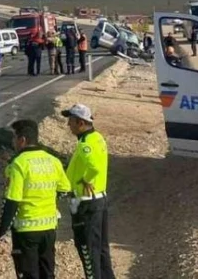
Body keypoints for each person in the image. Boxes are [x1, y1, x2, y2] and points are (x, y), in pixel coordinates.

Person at [0, 119, 71, 279]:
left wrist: (0, 231)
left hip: (26, 231)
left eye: (14, 139)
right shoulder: (53, 161)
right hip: (49, 228)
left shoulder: (19, 164)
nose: (13, 142)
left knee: (28, 274)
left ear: (22, 140)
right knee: (47, 272)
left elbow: (11, 201)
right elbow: (65, 188)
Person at [61, 104, 116, 279]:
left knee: (88, 250)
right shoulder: (97, 137)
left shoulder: (86, 144)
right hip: (98, 200)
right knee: (100, 249)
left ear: (80, 122)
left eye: (70, 121)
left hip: (86, 203)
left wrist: (86, 180)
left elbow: (94, 167)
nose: (68, 125)